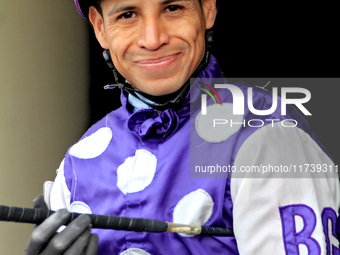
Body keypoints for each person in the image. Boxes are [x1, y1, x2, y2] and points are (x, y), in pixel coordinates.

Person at [25, 0, 340, 254]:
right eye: (127, 14)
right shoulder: (78, 161)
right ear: (100, 27)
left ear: (207, 9)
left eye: (172, 8)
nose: (153, 38)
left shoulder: (269, 140)